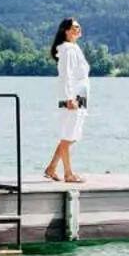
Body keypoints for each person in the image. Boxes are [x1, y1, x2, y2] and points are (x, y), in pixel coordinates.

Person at [43, 17, 89, 184]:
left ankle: (52, 167)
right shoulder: (68, 50)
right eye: (74, 27)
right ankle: (68, 174)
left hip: (79, 97)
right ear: (66, 31)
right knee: (68, 135)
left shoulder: (73, 48)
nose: (78, 29)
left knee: (71, 136)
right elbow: (66, 75)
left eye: (78, 26)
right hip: (72, 98)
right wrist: (70, 98)